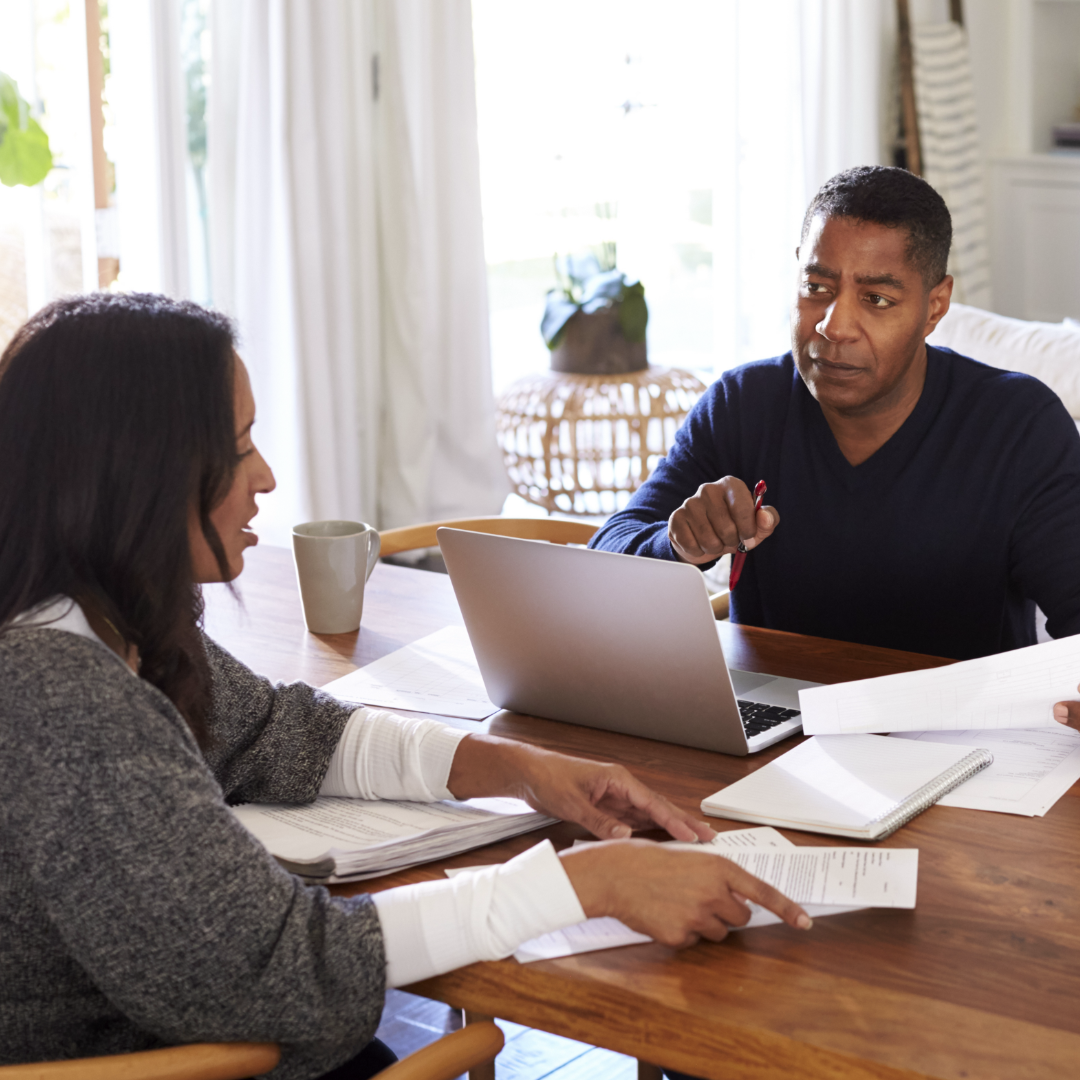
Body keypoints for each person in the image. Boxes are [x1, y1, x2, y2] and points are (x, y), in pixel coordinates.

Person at [0, 293, 811, 1079]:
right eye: (239, 444)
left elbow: (273, 731)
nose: (269, 476)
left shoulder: (100, 621)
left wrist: (516, 767)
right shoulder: (65, 702)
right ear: (135, 472)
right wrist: (586, 883)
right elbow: (289, 973)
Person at [591, 165, 1080, 676]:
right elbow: (603, 562)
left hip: (957, 741)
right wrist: (676, 543)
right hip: (773, 734)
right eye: (817, 287)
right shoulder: (743, 405)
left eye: (877, 300)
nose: (834, 325)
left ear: (934, 308)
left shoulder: (1019, 428)